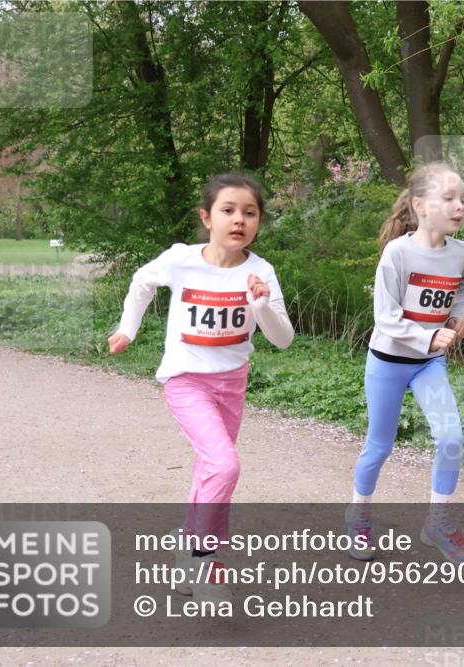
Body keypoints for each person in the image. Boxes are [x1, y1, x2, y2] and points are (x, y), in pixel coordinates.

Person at [107, 172, 293, 601]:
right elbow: (141, 283)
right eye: (228, 210)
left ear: (258, 222)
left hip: (232, 383)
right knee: (225, 465)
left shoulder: (261, 271)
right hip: (186, 379)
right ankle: (202, 557)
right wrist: (127, 330)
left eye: (249, 212)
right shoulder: (181, 259)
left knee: (211, 467)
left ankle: (186, 550)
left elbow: (283, 339)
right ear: (207, 218)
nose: (239, 219)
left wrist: (262, 304)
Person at [346, 162, 464, 564]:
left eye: (462, 200)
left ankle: (437, 522)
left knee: (451, 439)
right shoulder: (398, 253)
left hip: (429, 364)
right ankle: (359, 515)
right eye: (449, 198)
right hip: (388, 361)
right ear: (420, 205)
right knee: (379, 445)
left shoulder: (462, 254)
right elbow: (384, 317)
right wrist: (427, 335)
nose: (459, 207)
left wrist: (457, 320)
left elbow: (459, 292)